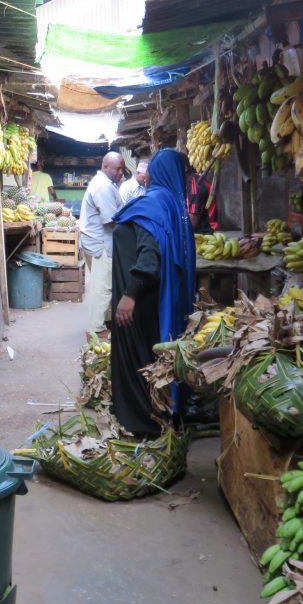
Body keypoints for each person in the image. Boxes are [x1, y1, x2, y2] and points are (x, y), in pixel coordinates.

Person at [110, 149, 196, 437]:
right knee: (151, 358)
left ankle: (144, 423)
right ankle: (160, 415)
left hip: (139, 300)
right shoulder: (173, 204)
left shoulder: (154, 203)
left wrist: (129, 294)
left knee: (137, 362)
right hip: (156, 300)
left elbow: (149, 255)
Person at [78, 151, 125, 336]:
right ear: (106, 166)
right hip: (100, 244)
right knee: (103, 287)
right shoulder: (103, 187)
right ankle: (96, 330)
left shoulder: (106, 184)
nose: (121, 172)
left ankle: (105, 322)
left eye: (122, 168)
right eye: (118, 168)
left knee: (105, 284)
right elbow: (111, 220)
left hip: (97, 242)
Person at [187, 165, 218, 232]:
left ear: (185, 168)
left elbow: (191, 224)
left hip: (205, 232)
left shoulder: (195, 187)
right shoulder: (190, 180)